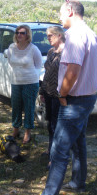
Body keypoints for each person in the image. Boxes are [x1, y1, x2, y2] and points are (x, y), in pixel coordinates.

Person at [39, 0, 97, 195]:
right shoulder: (90, 33)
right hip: (87, 97)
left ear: (69, 11)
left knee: (59, 151)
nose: (59, 17)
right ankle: (78, 182)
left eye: (60, 12)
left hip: (75, 101)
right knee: (78, 143)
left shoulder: (75, 35)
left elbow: (73, 71)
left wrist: (62, 95)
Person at [5, 25, 42, 144]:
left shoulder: (33, 49)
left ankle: (27, 133)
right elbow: (11, 62)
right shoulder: (11, 47)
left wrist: (29, 75)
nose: (19, 35)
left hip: (30, 82)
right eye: (17, 33)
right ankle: (15, 129)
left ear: (28, 35)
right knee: (15, 107)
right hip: (16, 82)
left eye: (22, 33)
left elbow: (38, 65)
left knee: (29, 108)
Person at [39, 26, 65, 168]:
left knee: (57, 127)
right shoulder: (51, 52)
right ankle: (50, 150)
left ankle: (55, 158)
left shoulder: (66, 52)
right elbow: (47, 74)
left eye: (51, 35)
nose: (48, 38)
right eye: (47, 35)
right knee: (50, 124)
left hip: (59, 95)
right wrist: (42, 91)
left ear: (59, 35)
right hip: (49, 93)